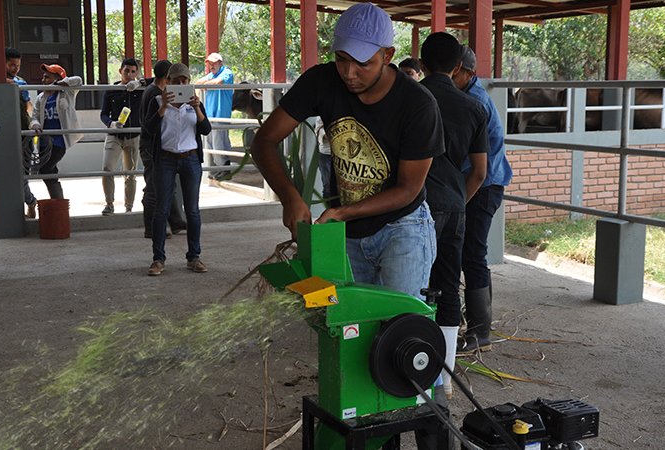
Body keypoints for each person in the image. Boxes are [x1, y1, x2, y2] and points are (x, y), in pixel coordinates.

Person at [252, 2, 443, 300]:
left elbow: (407, 189)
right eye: (341, 60)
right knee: (349, 326)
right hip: (348, 231)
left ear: (387, 55)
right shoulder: (320, 81)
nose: (349, 73)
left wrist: (342, 212)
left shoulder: (419, 105)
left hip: (402, 227)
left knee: (400, 327)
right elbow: (263, 141)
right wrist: (290, 197)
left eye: (362, 63)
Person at [418, 32, 489, 399]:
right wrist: (460, 199)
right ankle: (442, 376)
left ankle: (409, 367)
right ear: (458, 66)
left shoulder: (410, 98)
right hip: (455, 205)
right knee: (448, 285)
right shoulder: (474, 108)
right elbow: (479, 171)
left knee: (413, 286)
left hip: (415, 203)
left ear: (422, 63)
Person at [453, 45, 514, 356]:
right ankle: (477, 322)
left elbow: (480, 168)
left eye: (454, 72)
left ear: (468, 73)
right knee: (468, 252)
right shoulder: (466, 96)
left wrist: (458, 201)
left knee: (473, 253)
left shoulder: (473, 102)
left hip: (483, 184)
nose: (450, 77)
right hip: (476, 180)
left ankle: (480, 332)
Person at [143, 63, 211, 275]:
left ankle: (194, 257)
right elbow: (149, 129)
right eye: (176, 81)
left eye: (185, 81)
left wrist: (198, 108)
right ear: (168, 83)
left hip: (190, 158)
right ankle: (158, 259)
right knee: (161, 209)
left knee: (192, 210)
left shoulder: (194, 104)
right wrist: (163, 107)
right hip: (165, 158)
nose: (181, 84)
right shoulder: (157, 101)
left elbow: (206, 129)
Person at [0, 48, 39, 218]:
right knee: (2, 173)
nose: (15, 68)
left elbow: (28, 104)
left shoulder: (21, 83)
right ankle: (16, 208)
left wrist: (32, 122)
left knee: (21, 174)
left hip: (22, 134)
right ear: (3, 64)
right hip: (1, 135)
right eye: (12, 65)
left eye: (18, 65)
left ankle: (30, 202)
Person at [139, 60, 188, 238]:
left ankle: (175, 221)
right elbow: (150, 125)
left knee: (168, 185)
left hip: (155, 145)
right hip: (152, 146)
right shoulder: (156, 96)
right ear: (168, 79)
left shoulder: (153, 91)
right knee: (153, 186)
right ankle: (151, 228)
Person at [29, 63, 82, 200]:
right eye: (43, 77)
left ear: (57, 79)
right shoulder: (41, 97)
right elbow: (34, 116)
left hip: (60, 141)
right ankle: (59, 203)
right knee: (49, 170)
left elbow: (78, 80)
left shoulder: (67, 93)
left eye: (47, 77)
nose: (43, 80)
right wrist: (35, 124)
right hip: (44, 141)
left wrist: (62, 83)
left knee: (46, 169)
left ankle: (58, 201)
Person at [100, 58, 144, 215]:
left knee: (130, 172)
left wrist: (140, 82)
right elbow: (103, 114)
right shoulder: (112, 90)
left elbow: (159, 79)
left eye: (133, 71)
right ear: (120, 71)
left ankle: (129, 207)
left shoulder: (141, 89)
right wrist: (111, 123)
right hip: (115, 135)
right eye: (127, 71)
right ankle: (109, 204)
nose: (130, 75)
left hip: (134, 136)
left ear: (137, 73)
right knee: (107, 168)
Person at [194, 52, 234, 180]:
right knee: (211, 141)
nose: (211, 65)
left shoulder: (227, 73)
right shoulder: (212, 75)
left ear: (220, 63)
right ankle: (218, 168)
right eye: (209, 63)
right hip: (210, 114)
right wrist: (206, 84)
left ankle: (224, 168)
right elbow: (198, 82)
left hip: (221, 113)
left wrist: (206, 84)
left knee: (219, 141)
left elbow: (218, 82)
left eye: (214, 63)